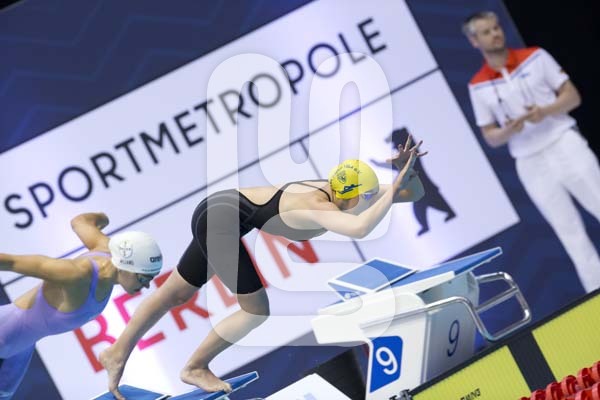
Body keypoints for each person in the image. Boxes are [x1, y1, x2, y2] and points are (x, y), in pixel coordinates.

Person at [99, 136, 426, 399]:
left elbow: (413, 193)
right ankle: (195, 367)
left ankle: (116, 351)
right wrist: (394, 186)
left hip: (220, 212)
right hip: (220, 219)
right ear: (350, 195)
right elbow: (361, 228)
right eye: (365, 198)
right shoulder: (316, 206)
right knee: (255, 310)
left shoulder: (341, 190)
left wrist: (404, 174)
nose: (367, 202)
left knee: (176, 294)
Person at [463, 11, 600, 293]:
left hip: (563, 142)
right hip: (530, 161)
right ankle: (596, 291)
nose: (495, 34)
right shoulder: (478, 85)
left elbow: (573, 96)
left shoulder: (535, 57)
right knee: (568, 231)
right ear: (474, 41)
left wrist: (545, 111)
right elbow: (490, 136)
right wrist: (508, 130)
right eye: (487, 32)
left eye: (496, 28)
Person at [0, 213, 163, 399]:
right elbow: (11, 262)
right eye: (143, 278)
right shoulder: (76, 274)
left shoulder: (109, 250)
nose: (146, 285)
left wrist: (107, 223)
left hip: (20, 347)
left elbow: (80, 221)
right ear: (125, 265)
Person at [371, 127, 455, 235]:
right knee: (422, 207)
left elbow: (398, 166)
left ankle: (446, 214)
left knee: (432, 202)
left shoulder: (410, 155)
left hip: (423, 186)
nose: (395, 148)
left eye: (396, 145)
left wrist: (379, 164)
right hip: (418, 187)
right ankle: (428, 224)